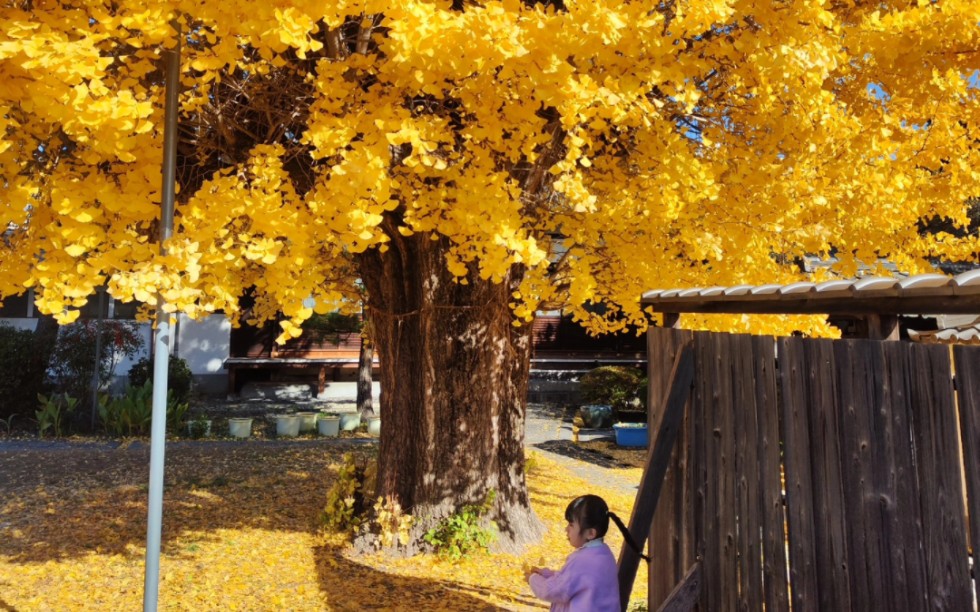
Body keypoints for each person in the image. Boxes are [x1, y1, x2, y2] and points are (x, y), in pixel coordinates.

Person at [524, 494, 649, 612]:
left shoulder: (583, 560)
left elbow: (554, 591)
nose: (566, 529)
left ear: (590, 533)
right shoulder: (604, 553)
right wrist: (546, 574)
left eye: (571, 525)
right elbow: (573, 580)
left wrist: (533, 579)